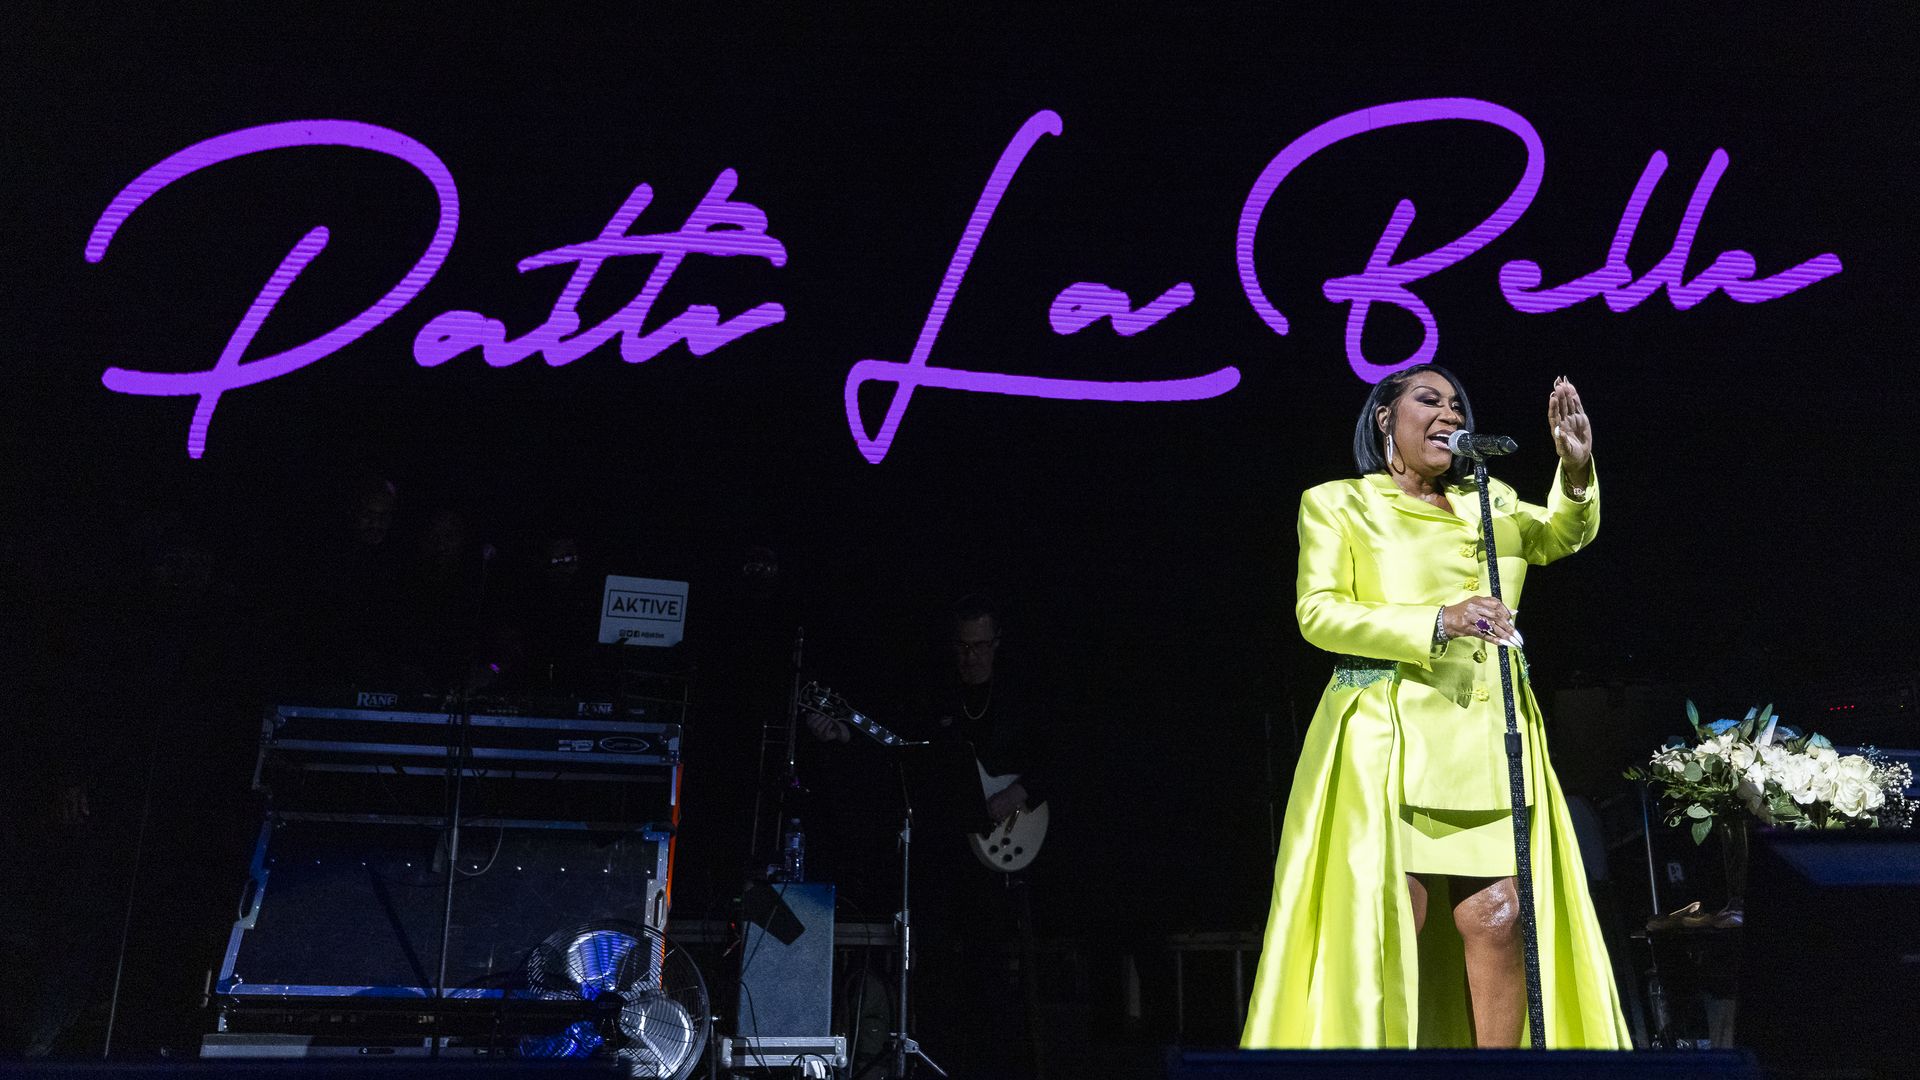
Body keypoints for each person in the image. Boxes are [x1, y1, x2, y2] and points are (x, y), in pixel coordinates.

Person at [1241, 365, 1631, 1049]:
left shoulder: (1494, 499)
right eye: (1428, 400)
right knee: (1398, 924)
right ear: (1386, 418)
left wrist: (1575, 470)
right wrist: (1435, 622)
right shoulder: (1338, 504)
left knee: (1499, 916)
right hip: (1391, 735)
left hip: (1489, 734)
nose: (1448, 412)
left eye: (1456, 404)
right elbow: (1318, 613)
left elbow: (1560, 536)